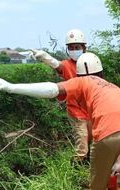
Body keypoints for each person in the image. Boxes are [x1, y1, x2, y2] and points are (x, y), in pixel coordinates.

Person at [0, 52, 120, 190]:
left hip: (110, 134)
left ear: (79, 74)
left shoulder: (83, 81)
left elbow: (52, 89)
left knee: (97, 185)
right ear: (101, 73)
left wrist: (12, 87)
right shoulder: (112, 87)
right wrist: (117, 161)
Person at [31, 29, 90, 163]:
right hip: (76, 111)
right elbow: (57, 65)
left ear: (84, 48)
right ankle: (76, 168)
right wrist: (46, 58)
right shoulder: (67, 65)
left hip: (91, 109)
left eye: (77, 47)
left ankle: (89, 165)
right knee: (82, 142)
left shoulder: (90, 62)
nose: (74, 50)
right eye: (71, 48)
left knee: (93, 138)